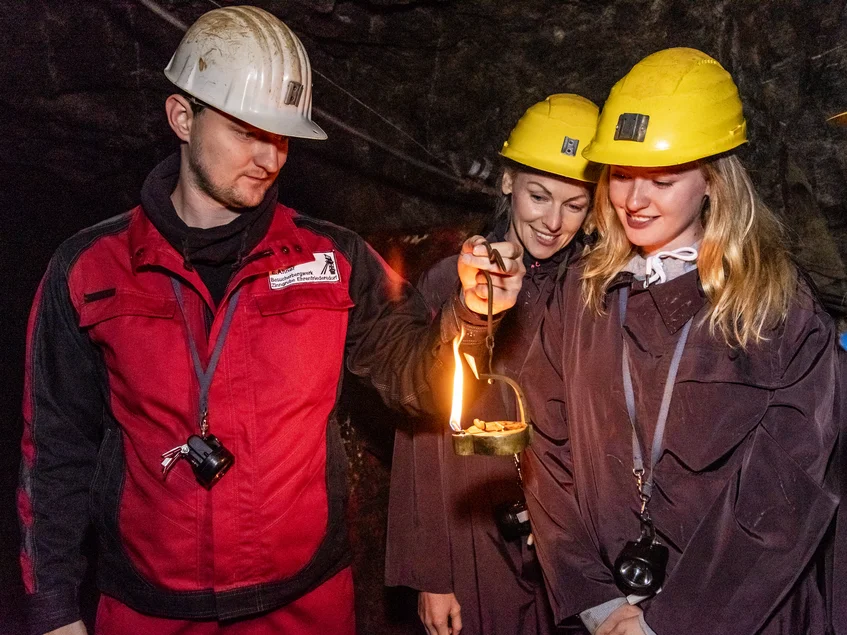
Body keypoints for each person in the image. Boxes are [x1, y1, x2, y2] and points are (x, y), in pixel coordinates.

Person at [16, 6, 525, 635]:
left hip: (304, 606)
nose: (269, 156)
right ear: (182, 117)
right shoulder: (88, 270)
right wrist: (53, 611)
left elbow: (419, 380)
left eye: (281, 135)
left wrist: (473, 315)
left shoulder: (334, 260)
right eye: (246, 130)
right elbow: (54, 454)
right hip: (149, 609)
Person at [521, 48, 841, 635]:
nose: (634, 202)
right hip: (604, 612)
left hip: (738, 618)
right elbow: (546, 448)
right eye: (619, 175)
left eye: (662, 181)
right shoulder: (582, 295)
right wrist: (597, 602)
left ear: (712, 182)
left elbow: (786, 499)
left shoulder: (776, 312)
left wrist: (671, 623)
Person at [385, 94, 600, 635]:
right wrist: (433, 573)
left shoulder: (593, 293)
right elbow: (422, 432)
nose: (553, 222)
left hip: (568, 537)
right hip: (474, 528)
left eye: (575, 205)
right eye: (538, 195)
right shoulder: (451, 281)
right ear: (507, 183)